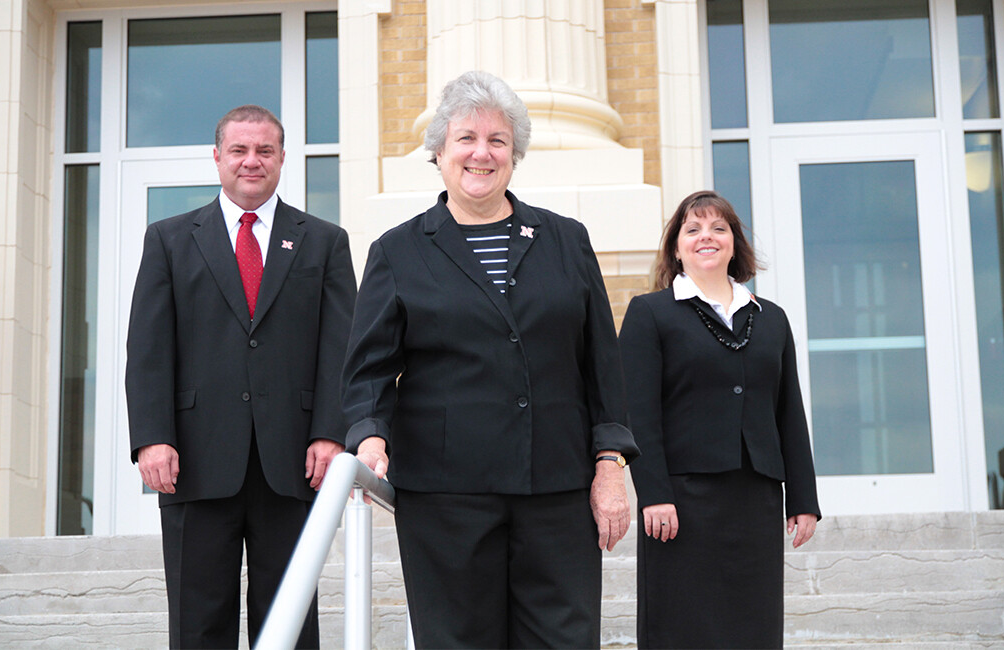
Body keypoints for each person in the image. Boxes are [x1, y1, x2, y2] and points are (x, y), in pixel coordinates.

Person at [342, 70, 640, 649]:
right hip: (445, 496)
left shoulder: (566, 239)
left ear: (514, 154)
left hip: (557, 487)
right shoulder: (397, 250)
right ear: (439, 150)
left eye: (497, 140)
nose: (482, 153)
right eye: (466, 138)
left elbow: (602, 364)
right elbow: (368, 368)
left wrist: (610, 465)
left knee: (564, 640)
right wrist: (369, 435)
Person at [125, 104, 357, 649]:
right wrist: (152, 437)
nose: (252, 161)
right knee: (198, 624)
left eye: (264, 151)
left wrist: (331, 432)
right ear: (217, 157)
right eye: (239, 150)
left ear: (282, 158)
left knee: (289, 625)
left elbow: (342, 348)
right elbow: (149, 348)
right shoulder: (169, 239)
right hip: (195, 459)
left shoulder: (324, 241)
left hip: (295, 461)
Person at [619, 190, 821, 649]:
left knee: (752, 625)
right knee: (682, 624)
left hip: (756, 497)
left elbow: (788, 410)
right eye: (692, 229)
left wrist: (803, 498)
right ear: (676, 247)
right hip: (681, 503)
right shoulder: (650, 313)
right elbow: (638, 413)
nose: (705, 237)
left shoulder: (772, 319)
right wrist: (654, 494)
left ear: (734, 244)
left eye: (718, 228)